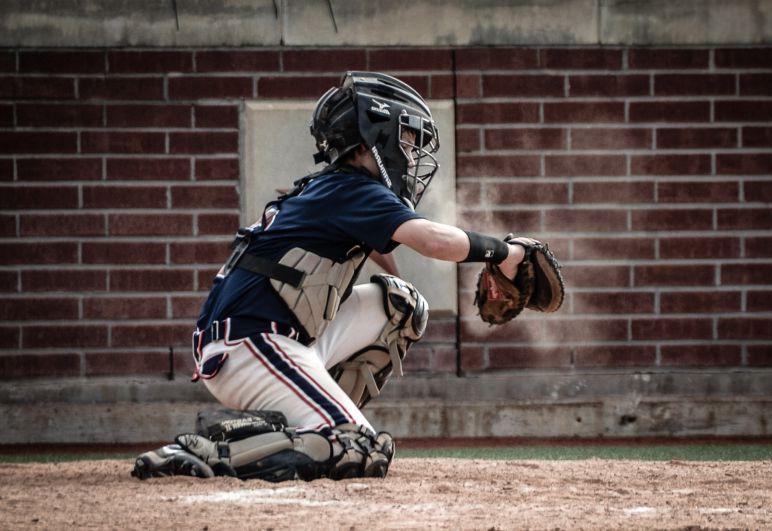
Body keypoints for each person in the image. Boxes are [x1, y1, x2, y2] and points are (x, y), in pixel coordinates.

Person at [132, 71, 525, 482]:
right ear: (373, 136)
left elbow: (376, 246)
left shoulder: (335, 189)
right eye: (404, 140)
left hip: (264, 338)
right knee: (361, 447)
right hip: (252, 345)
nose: (410, 154)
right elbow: (432, 241)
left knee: (401, 306)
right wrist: (505, 252)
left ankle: (317, 423)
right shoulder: (352, 189)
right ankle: (218, 450)